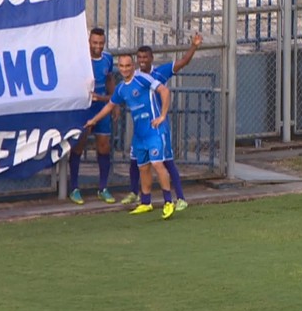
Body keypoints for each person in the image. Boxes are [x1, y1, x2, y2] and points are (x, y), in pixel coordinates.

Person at [85, 54, 175, 220]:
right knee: (143, 167)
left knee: (157, 163)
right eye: (122, 66)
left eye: (128, 66)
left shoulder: (143, 79)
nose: (125, 69)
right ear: (119, 67)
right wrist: (93, 120)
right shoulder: (120, 89)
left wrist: (162, 115)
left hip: (154, 130)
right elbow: (110, 105)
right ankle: (146, 202)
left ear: (133, 66)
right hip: (139, 135)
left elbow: (164, 90)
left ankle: (168, 202)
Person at [119, 33, 203, 211]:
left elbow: (182, 63)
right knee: (136, 160)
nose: (142, 60)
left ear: (151, 58)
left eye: (145, 57)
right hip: (142, 128)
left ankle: (180, 197)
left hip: (158, 126)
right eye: (139, 57)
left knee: (166, 162)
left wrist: (194, 46)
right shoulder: (133, 76)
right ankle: (136, 193)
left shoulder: (159, 73)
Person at [68, 27, 116, 205]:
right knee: (78, 146)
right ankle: (74, 188)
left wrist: (114, 102)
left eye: (101, 43)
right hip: (84, 108)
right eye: (95, 43)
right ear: (88, 42)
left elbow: (110, 78)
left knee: (103, 146)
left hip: (102, 108)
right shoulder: (80, 59)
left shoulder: (108, 59)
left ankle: (103, 188)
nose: (98, 46)